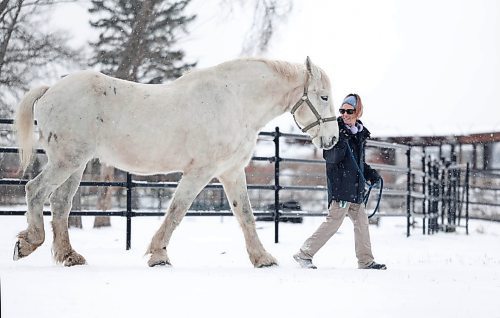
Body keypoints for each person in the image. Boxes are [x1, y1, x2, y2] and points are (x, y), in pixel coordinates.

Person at [293, 93, 386, 270]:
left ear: (358, 112)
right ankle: (304, 254)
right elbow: (330, 157)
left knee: (362, 223)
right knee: (333, 223)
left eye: (349, 110)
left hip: (355, 190)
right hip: (341, 188)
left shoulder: (359, 134)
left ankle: (366, 261)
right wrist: (341, 141)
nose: (345, 114)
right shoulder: (334, 131)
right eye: (342, 110)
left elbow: (356, 162)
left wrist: (370, 173)